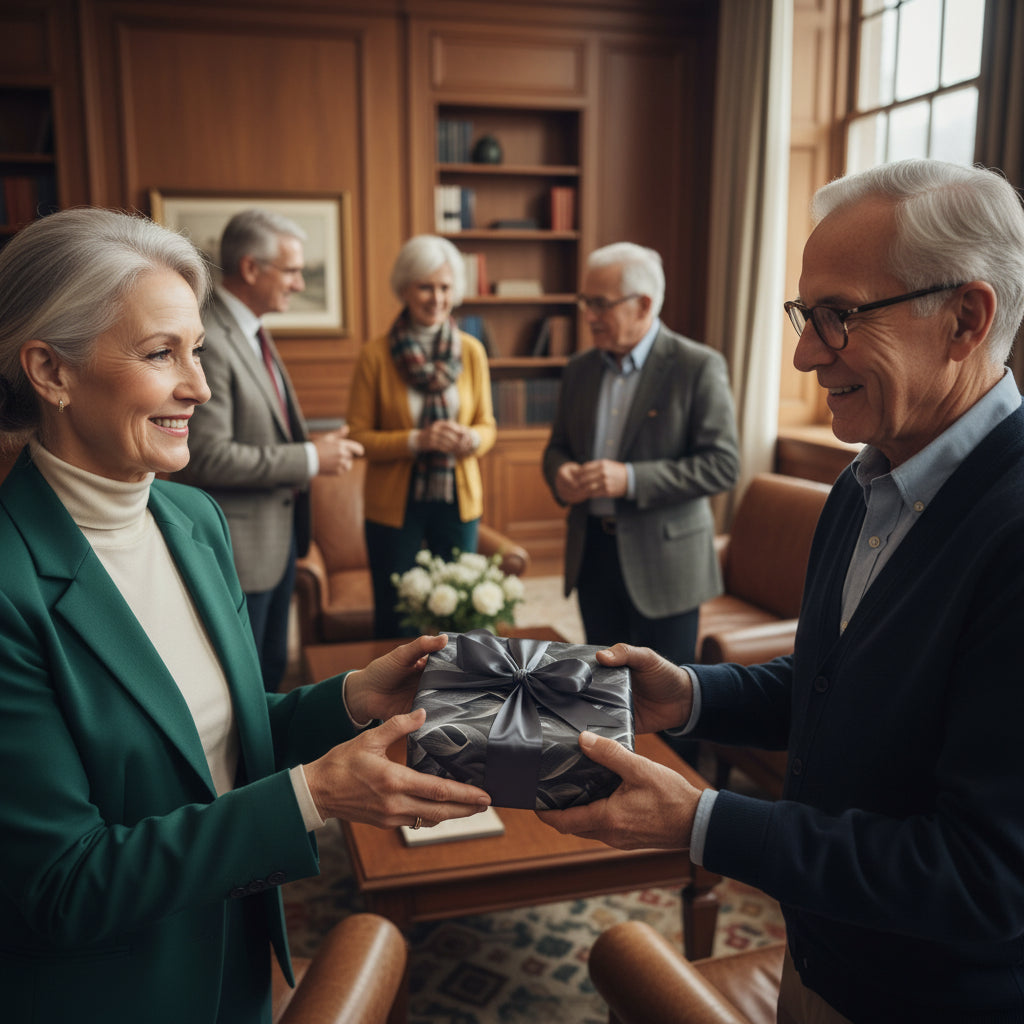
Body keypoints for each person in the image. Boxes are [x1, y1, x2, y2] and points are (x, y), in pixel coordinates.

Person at [538, 159, 1024, 1023]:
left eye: (839, 317)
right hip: (823, 956)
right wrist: (686, 693)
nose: (803, 355)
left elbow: (983, 878)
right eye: (807, 316)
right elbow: (833, 683)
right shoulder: (864, 482)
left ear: (965, 318)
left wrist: (703, 822)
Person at [0, 207, 491, 1024]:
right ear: (50, 372)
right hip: (124, 993)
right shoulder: (11, 587)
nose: (199, 385)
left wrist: (348, 699)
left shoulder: (195, 521)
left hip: (240, 962)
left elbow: (205, 736)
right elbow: (61, 885)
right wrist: (313, 795)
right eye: (162, 354)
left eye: (196, 349)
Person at [174, 208, 362, 692]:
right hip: (239, 549)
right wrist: (312, 458)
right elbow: (207, 456)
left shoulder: (254, 329)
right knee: (242, 685)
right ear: (251, 268)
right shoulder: (210, 337)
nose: (300, 283)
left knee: (271, 671)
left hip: (276, 544)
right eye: (292, 270)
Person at [542, 241, 740, 666]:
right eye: (585, 302)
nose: (589, 316)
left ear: (644, 304)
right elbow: (556, 447)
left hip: (665, 562)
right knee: (601, 684)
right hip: (591, 552)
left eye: (600, 304)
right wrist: (561, 474)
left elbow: (723, 465)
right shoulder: (579, 369)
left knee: (665, 699)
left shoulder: (697, 366)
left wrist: (630, 479)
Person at [347, 234, 496, 638]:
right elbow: (359, 437)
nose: (436, 297)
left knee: (461, 608)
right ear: (405, 289)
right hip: (394, 504)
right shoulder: (375, 356)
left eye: (445, 287)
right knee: (396, 611)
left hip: (457, 497)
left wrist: (471, 439)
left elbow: (488, 426)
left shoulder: (471, 351)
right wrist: (418, 440)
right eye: (425, 287)